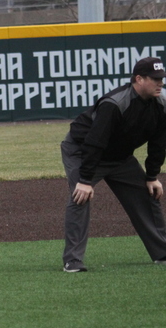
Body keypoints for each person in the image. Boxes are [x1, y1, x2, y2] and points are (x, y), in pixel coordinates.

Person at [61, 56, 166, 272]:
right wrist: (85, 180)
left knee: (147, 194)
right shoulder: (115, 103)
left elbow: (159, 143)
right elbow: (95, 142)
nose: (161, 83)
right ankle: (73, 260)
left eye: (162, 78)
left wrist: (152, 176)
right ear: (139, 79)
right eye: (155, 79)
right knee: (80, 197)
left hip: (120, 158)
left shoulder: (160, 105)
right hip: (83, 151)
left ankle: (162, 252)